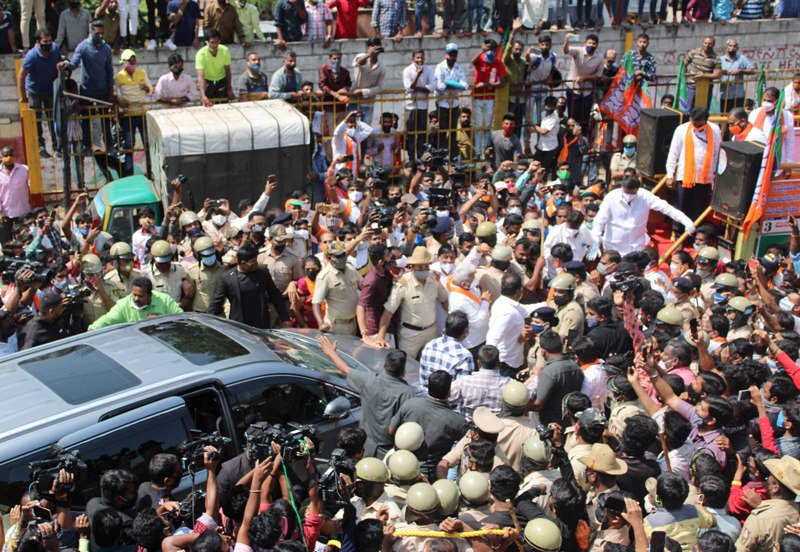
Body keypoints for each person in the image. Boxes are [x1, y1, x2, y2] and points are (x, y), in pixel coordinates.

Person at [319, 335, 415, 458]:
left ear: (385, 365)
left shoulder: (368, 380)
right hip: (388, 453)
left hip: (364, 448)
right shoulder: (407, 393)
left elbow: (345, 370)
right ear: (403, 371)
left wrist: (330, 352)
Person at [591, 174, 695, 256]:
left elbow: (667, 208)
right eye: (626, 193)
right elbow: (599, 221)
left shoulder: (645, 196)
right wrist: (595, 241)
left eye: (631, 193)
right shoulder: (611, 197)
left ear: (637, 189)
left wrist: (686, 220)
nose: (628, 196)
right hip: (613, 247)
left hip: (636, 248)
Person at [377, 247, 447, 359]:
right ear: (412, 267)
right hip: (410, 336)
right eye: (420, 267)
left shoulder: (434, 279)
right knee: (407, 367)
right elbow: (388, 312)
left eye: (426, 266)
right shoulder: (402, 284)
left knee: (430, 363)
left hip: (431, 332)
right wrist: (381, 337)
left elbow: (444, 300)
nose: (424, 269)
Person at [665, 107, 721, 234]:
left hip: (704, 178)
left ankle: (695, 236)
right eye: (693, 122)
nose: (696, 125)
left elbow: (717, 153)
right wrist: (670, 175)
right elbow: (673, 153)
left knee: (698, 209)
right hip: (685, 177)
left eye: (699, 123)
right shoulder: (682, 130)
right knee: (681, 208)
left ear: (705, 121)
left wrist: (717, 175)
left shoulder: (715, 130)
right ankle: (678, 234)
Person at [207, 245, 290, 328]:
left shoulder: (262, 273)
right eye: (253, 261)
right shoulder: (227, 278)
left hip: (261, 323)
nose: (257, 263)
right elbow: (216, 303)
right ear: (243, 263)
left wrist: (285, 318)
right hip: (239, 325)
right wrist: (207, 322)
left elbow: (275, 295)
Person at [18, 29, 60, 159]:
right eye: (44, 42)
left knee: (53, 117)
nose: (48, 44)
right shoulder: (32, 56)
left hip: (50, 89)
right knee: (36, 120)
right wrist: (23, 96)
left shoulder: (55, 49)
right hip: (35, 91)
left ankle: (56, 146)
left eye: (49, 41)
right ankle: (40, 146)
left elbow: (59, 63)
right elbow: (21, 75)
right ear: (38, 42)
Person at [487, 272, 535, 376]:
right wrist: (490, 366)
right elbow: (493, 339)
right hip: (506, 364)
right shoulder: (508, 312)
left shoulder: (503, 302)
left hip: (511, 360)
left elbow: (525, 310)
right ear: (518, 290)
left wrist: (548, 304)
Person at [88, 277, 183, 330]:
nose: (136, 299)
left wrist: (162, 322)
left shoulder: (165, 300)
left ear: (150, 294)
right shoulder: (124, 304)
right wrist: (92, 329)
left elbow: (182, 319)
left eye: (140, 296)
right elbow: (107, 320)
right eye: (134, 295)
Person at [114, 49, 153, 177]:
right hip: (127, 115)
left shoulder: (141, 73)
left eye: (134, 61)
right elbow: (114, 93)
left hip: (142, 113)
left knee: (147, 143)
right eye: (130, 61)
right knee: (129, 145)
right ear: (124, 62)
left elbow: (150, 90)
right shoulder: (118, 77)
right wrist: (119, 100)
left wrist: (146, 87)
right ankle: (128, 173)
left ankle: (150, 170)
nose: (132, 63)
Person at [533, 330, 584, 425]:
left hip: (552, 425)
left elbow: (537, 404)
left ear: (543, 351)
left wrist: (520, 405)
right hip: (571, 421)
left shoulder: (548, 372)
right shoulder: (576, 367)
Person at [312, 241, 362, 335]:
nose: (341, 258)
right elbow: (316, 303)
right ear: (330, 256)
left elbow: (364, 286)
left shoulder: (351, 269)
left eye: (343, 255)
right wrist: (321, 324)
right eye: (337, 256)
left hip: (353, 322)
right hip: (336, 326)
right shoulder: (324, 276)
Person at [419, 310, 474, 389]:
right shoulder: (464, 356)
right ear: (466, 331)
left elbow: (423, 381)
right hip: (449, 400)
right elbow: (462, 390)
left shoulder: (430, 345)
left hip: (427, 397)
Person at [472, 38, 507, 158]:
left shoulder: (498, 63)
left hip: (490, 97)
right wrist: (482, 50)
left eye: (492, 49)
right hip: (477, 97)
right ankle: (477, 152)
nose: (490, 52)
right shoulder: (480, 59)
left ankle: (486, 151)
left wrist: (487, 84)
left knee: (487, 126)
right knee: (477, 126)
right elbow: (473, 61)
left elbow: (502, 82)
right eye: (488, 49)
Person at [563, 33, 603, 133]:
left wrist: (584, 78)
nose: (591, 45)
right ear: (585, 43)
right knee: (573, 115)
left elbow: (598, 75)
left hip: (587, 89)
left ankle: (583, 139)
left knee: (585, 116)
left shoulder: (599, 57)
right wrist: (567, 41)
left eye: (594, 44)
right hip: (574, 88)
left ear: (597, 45)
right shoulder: (579, 51)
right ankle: (572, 138)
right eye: (589, 43)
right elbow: (566, 51)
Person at [434, 43, 469, 153]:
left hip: (454, 103)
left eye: (454, 55)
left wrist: (448, 83)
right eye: (450, 54)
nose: (452, 57)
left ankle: (452, 154)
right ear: (446, 55)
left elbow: (465, 85)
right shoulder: (440, 67)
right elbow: (439, 86)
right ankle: (442, 152)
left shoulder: (458, 68)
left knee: (453, 130)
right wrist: (455, 84)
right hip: (442, 102)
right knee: (442, 130)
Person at [749, 87, 796, 166]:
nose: (766, 103)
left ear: (777, 101)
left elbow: (789, 141)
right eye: (764, 100)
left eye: (769, 101)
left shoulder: (787, 116)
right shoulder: (754, 114)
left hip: (777, 161)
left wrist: (789, 163)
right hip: (757, 160)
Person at [403, 50, 435, 160]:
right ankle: (411, 159)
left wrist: (416, 88)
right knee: (411, 134)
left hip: (423, 106)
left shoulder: (429, 70)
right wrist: (418, 75)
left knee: (422, 134)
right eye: (417, 58)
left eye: (422, 58)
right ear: (413, 58)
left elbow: (431, 87)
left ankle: (421, 158)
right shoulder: (407, 70)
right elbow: (408, 87)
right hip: (410, 106)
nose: (420, 60)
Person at [0, 146, 32, 245]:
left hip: (22, 212)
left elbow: (32, 188)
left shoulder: (24, 170)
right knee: (7, 243)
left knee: (24, 241)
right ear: (1, 157)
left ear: (14, 156)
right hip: (5, 214)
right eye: (6, 155)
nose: (9, 157)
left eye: (11, 154)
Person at [351, 38, 386, 125]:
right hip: (353, 99)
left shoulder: (382, 66)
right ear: (368, 47)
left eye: (376, 47)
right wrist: (368, 55)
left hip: (368, 102)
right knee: (351, 126)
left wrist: (363, 92)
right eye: (372, 46)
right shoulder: (361, 56)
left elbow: (380, 87)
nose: (374, 49)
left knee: (364, 129)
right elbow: (357, 63)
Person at [195, 29, 233, 106]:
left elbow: (227, 70)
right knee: (207, 106)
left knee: (224, 106)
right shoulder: (201, 54)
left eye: (217, 42)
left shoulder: (224, 50)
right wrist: (203, 95)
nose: (215, 45)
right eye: (212, 43)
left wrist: (229, 88)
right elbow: (200, 76)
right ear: (206, 42)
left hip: (221, 81)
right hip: (208, 82)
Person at [685, 37, 722, 110]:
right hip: (692, 85)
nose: (707, 45)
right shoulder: (693, 53)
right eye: (705, 43)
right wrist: (685, 77)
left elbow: (718, 74)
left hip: (706, 87)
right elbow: (684, 65)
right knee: (689, 109)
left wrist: (704, 76)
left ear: (713, 45)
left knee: (703, 110)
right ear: (702, 43)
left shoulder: (716, 58)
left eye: (709, 44)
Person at [720, 40, 755, 113]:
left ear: (737, 48)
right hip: (725, 94)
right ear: (727, 47)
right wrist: (725, 72)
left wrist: (740, 71)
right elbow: (716, 71)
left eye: (734, 46)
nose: (732, 48)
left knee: (738, 116)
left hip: (738, 94)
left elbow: (752, 70)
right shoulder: (721, 60)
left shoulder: (741, 58)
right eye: (730, 46)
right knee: (725, 117)